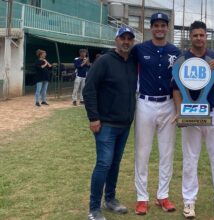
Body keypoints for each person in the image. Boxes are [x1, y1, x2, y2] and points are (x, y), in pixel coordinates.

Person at [172, 20, 214, 219]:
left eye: (202, 35)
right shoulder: (182, 59)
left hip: (213, 112)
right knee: (190, 159)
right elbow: (175, 89)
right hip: (191, 113)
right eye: (195, 35)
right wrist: (180, 111)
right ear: (190, 37)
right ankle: (189, 202)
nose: (199, 38)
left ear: (206, 37)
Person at [83, 26, 137, 220]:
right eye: (122, 38)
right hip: (105, 124)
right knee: (104, 163)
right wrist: (93, 118)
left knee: (115, 163)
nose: (126, 41)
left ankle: (111, 199)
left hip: (124, 124)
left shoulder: (132, 62)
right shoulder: (104, 61)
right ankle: (94, 208)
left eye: (130, 39)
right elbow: (89, 90)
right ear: (116, 40)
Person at [131, 12, 181, 215]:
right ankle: (142, 198)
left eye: (163, 25)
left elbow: (180, 81)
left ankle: (163, 195)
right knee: (142, 153)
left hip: (168, 104)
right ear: (150, 28)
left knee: (166, 153)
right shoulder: (139, 49)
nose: (160, 28)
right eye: (156, 25)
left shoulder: (175, 51)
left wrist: (180, 108)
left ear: (167, 28)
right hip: (145, 103)